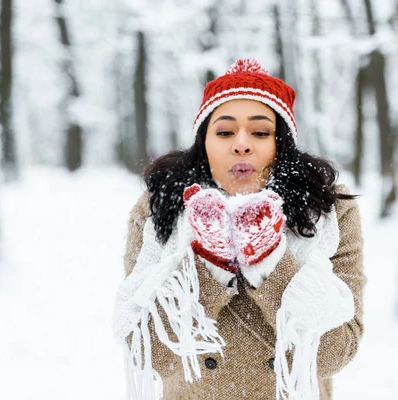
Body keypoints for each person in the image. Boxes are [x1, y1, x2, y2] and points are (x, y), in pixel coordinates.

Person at [113, 59, 366, 400]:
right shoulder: (162, 208)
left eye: (261, 132)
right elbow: (149, 352)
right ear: (204, 142)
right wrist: (206, 267)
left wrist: (270, 263)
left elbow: (338, 351)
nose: (241, 145)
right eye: (225, 132)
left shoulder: (326, 211)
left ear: (282, 143)